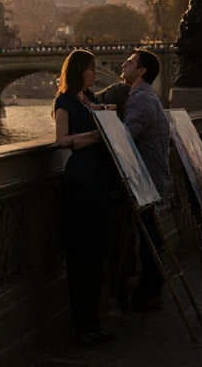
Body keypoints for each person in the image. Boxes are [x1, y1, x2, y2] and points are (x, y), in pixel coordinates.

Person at [52, 49, 116, 346]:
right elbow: (61, 140)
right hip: (80, 180)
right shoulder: (63, 102)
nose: (96, 72)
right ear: (78, 70)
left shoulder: (94, 101)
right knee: (82, 256)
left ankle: (95, 322)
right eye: (91, 68)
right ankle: (81, 327)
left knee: (97, 255)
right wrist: (94, 136)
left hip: (100, 178)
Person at [118, 49, 170, 310]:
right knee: (151, 234)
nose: (124, 64)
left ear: (142, 71)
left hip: (144, 179)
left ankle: (149, 291)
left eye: (130, 62)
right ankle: (151, 289)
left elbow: (125, 139)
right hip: (154, 176)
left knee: (148, 238)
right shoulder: (150, 97)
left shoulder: (140, 100)